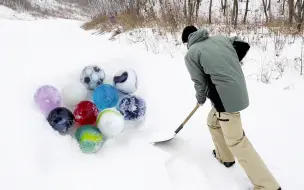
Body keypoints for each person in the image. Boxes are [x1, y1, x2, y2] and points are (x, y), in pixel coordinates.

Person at [182, 25, 281, 190]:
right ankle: (225, 156)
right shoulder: (220, 39)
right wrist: (229, 65)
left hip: (224, 100)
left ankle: (267, 186)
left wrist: (200, 99)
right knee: (213, 122)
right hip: (238, 91)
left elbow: (199, 82)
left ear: (186, 40)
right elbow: (243, 45)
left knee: (237, 141)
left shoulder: (191, 54)